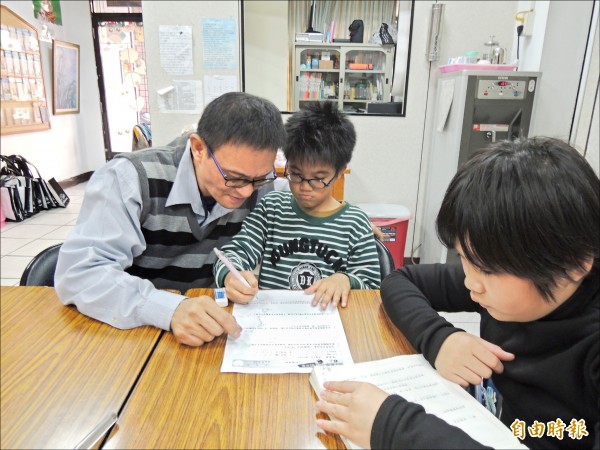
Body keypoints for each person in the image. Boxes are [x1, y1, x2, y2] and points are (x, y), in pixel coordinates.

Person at [315, 137, 599, 449]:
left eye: (487, 269)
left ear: (572, 267)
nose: (471, 283)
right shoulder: (501, 291)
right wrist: (440, 339)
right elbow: (400, 280)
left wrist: (395, 428)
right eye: (464, 258)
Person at [55, 92, 286, 347]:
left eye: (259, 178)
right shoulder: (130, 178)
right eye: (234, 177)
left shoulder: (261, 187)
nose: (246, 191)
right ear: (198, 148)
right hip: (135, 335)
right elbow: (79, 274)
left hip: (211, 334)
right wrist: (171, 309)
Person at [213, 101, 381, 308]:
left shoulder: (355, 222)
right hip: (274, 319)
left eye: (319, 178)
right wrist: (230, 276)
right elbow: (233, 253)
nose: (305, 187)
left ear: (339, 172)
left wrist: (346, 280)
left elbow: (373, 287)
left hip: (328, 323)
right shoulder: (272, 209)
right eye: (297, 175)